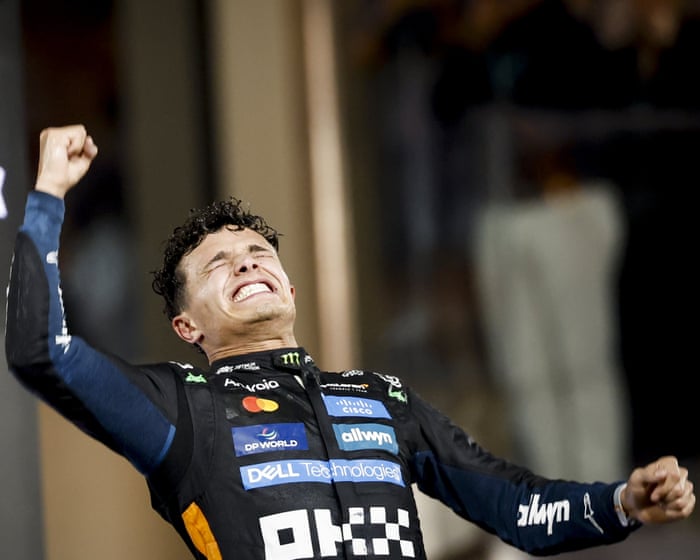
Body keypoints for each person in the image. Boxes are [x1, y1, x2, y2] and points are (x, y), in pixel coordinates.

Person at [4, 125, 695, 560]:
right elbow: (41, 351)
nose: (245, 263)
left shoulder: (380, 398)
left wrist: (622, 503)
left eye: (258, 253)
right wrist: (49, 194)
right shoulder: (181, 407)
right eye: (217, 266)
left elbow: (514, 507)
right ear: (188, 328)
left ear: (290, 289)